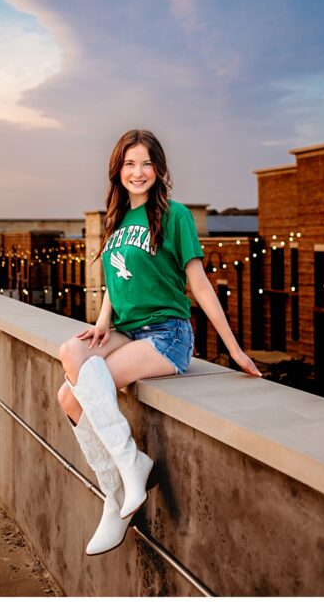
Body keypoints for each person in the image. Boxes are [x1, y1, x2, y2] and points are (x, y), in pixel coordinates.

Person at [55, 129, 261, 556]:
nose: (138, 171)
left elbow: (199, 285)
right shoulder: (117, 219)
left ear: (159, 169)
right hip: (128, 329)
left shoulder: (175, 215)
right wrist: (101, 322)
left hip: (167, 334)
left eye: (146, 163)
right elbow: (117, 277)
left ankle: (123, 489)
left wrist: (235, 349)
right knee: (71, 356)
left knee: (76, 396)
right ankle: (119, 486)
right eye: (130, 163)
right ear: (118, 170)